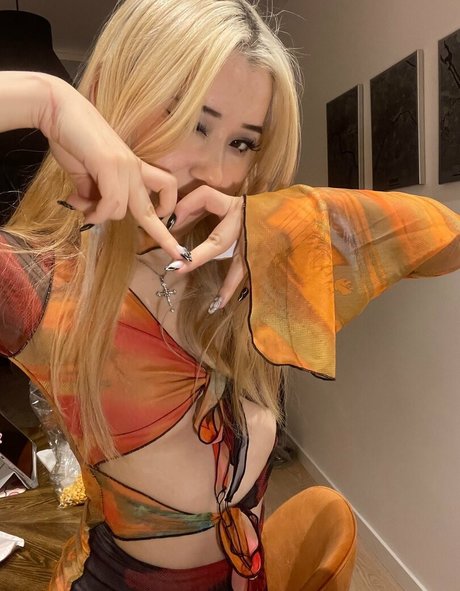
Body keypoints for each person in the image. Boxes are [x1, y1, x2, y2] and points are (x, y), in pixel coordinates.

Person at [0, 1, 460, 590]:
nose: (215, 172)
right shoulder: (40, 284)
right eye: (196, 122)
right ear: (114, 99)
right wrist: (44, 100)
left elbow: (446, 239)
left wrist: (288, 216)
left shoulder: (244, 262)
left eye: (242, 143)